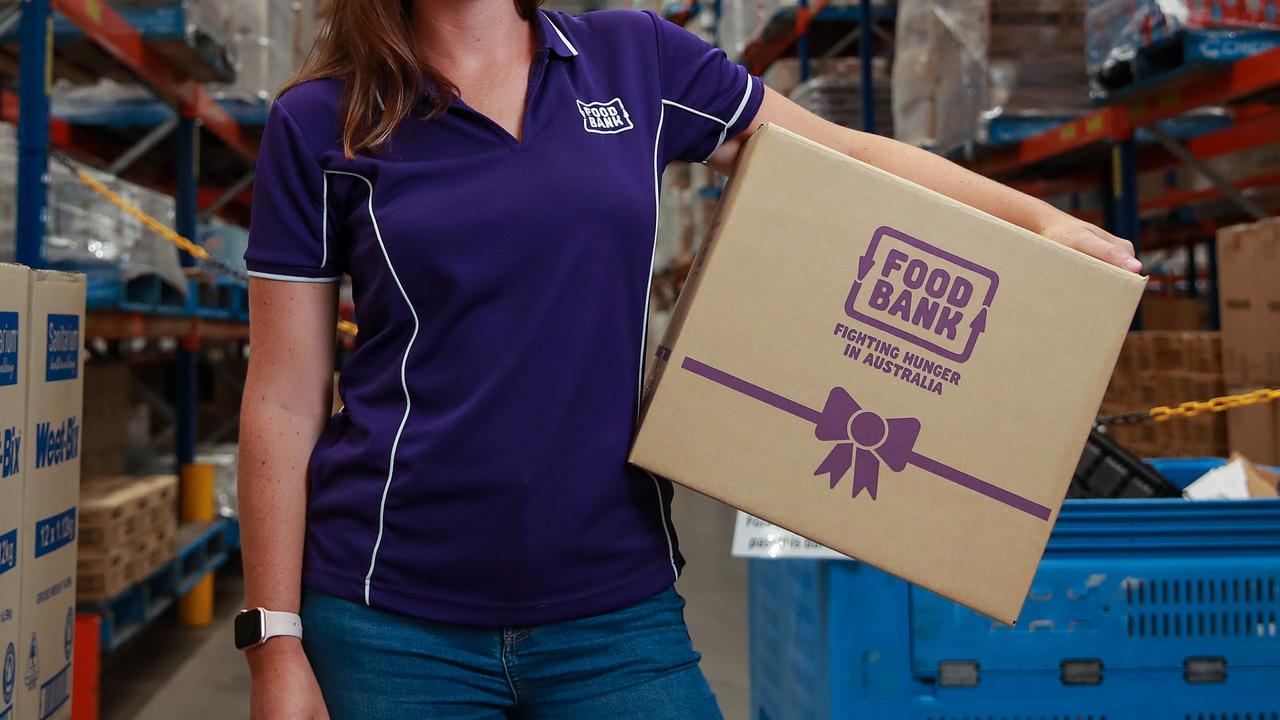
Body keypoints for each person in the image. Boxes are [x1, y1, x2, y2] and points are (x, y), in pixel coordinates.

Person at [236, 0, 1141, 717]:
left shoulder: (634, 62)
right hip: (390, 619)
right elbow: (282, 398)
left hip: (612, 604)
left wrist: (1037, 222)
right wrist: (275, 641)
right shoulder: (323, 122)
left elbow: (849, 159)